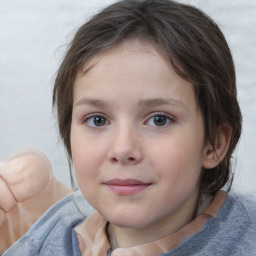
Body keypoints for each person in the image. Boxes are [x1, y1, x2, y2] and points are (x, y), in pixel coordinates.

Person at [3, 0, 256, 255]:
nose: (123, 149)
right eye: (98, 120)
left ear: (215, 143)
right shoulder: (47, 240)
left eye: (159, 119)